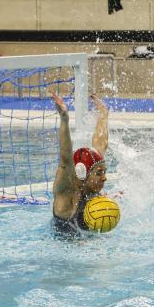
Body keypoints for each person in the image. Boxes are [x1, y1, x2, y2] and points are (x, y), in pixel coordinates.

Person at [51, 91, 109, 235]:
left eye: (104, 172)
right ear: (82, 172)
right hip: (64, 246)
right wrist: (64, 118)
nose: (104, 178)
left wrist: (103, 114)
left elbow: (101, 143)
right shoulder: (66, 196)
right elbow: (65, 160)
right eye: (99, 173)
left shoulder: (91, 187)